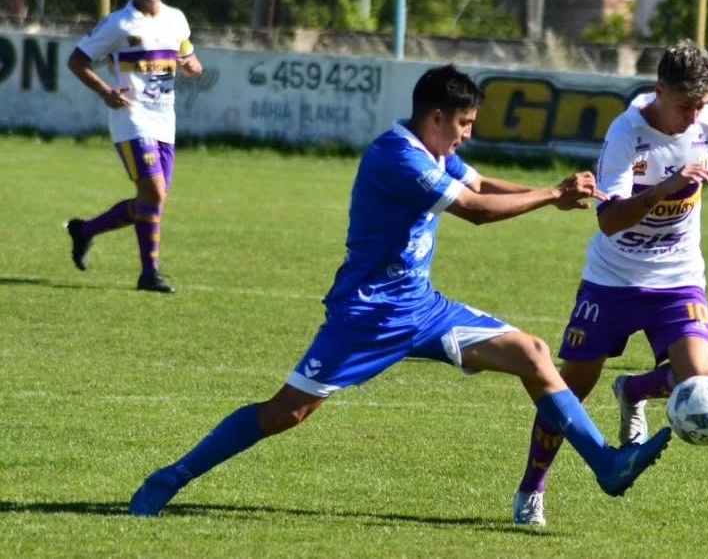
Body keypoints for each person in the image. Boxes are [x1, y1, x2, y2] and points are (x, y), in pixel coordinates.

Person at [127, 64, 672, 517]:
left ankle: (606, 464)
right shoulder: (398, 156)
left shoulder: (435, 150)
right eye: (463, 123)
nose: (467, 134)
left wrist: (555, 192)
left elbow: (480, 184)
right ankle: (169, 479)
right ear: (436, 117)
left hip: (422, 307)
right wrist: (552, 194)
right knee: (285, 413)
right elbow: (475, 211)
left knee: (532, 353)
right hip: (367, 316)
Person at [512, 39, 708, 526]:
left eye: (702, 105)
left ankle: (632, 391)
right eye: (686, 105)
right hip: (612, 280)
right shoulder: (627, 133)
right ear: (660, 90)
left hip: (678, 279)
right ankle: (531, 489)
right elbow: (608, 221)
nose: (694, 118)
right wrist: (666, 189)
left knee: (699, 377)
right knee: (570, 388)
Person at [65, 0, 203, 294]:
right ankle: (149, 274)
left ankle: (85, 231)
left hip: (164, 119)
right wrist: (106, 91)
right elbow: (77, 61)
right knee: (154, 193)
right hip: (131, 118)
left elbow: (188, 55)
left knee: (150, 200)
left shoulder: (177, 20)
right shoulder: (118, 23)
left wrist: (192, 67)